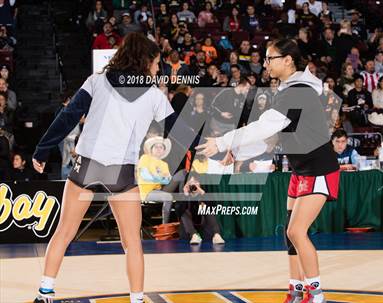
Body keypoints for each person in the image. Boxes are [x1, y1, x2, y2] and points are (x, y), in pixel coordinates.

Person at [31, 33, 183, 303]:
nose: (158, 68)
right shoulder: (154, 95)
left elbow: (67, 117)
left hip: (87, 166)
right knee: (132, 243)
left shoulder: (97, 81)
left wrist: (42, 149)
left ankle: (45, 293)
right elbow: (180, 132)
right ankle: (136, 299)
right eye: (157, 63)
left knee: (64, 232)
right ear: (145, 61)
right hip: (122, 173)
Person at [196, 39, 339, 303]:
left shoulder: (298, 91)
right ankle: (296, 290)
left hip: (319, 169)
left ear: (288, 60)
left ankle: (316, 294)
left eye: (270, 58)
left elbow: (263, 127)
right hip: (301, 171)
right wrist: (238, 153)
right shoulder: (292, 90)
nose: (265, 63)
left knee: (297, 232)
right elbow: (271, 138)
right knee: (290, 232)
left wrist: (223, 141)